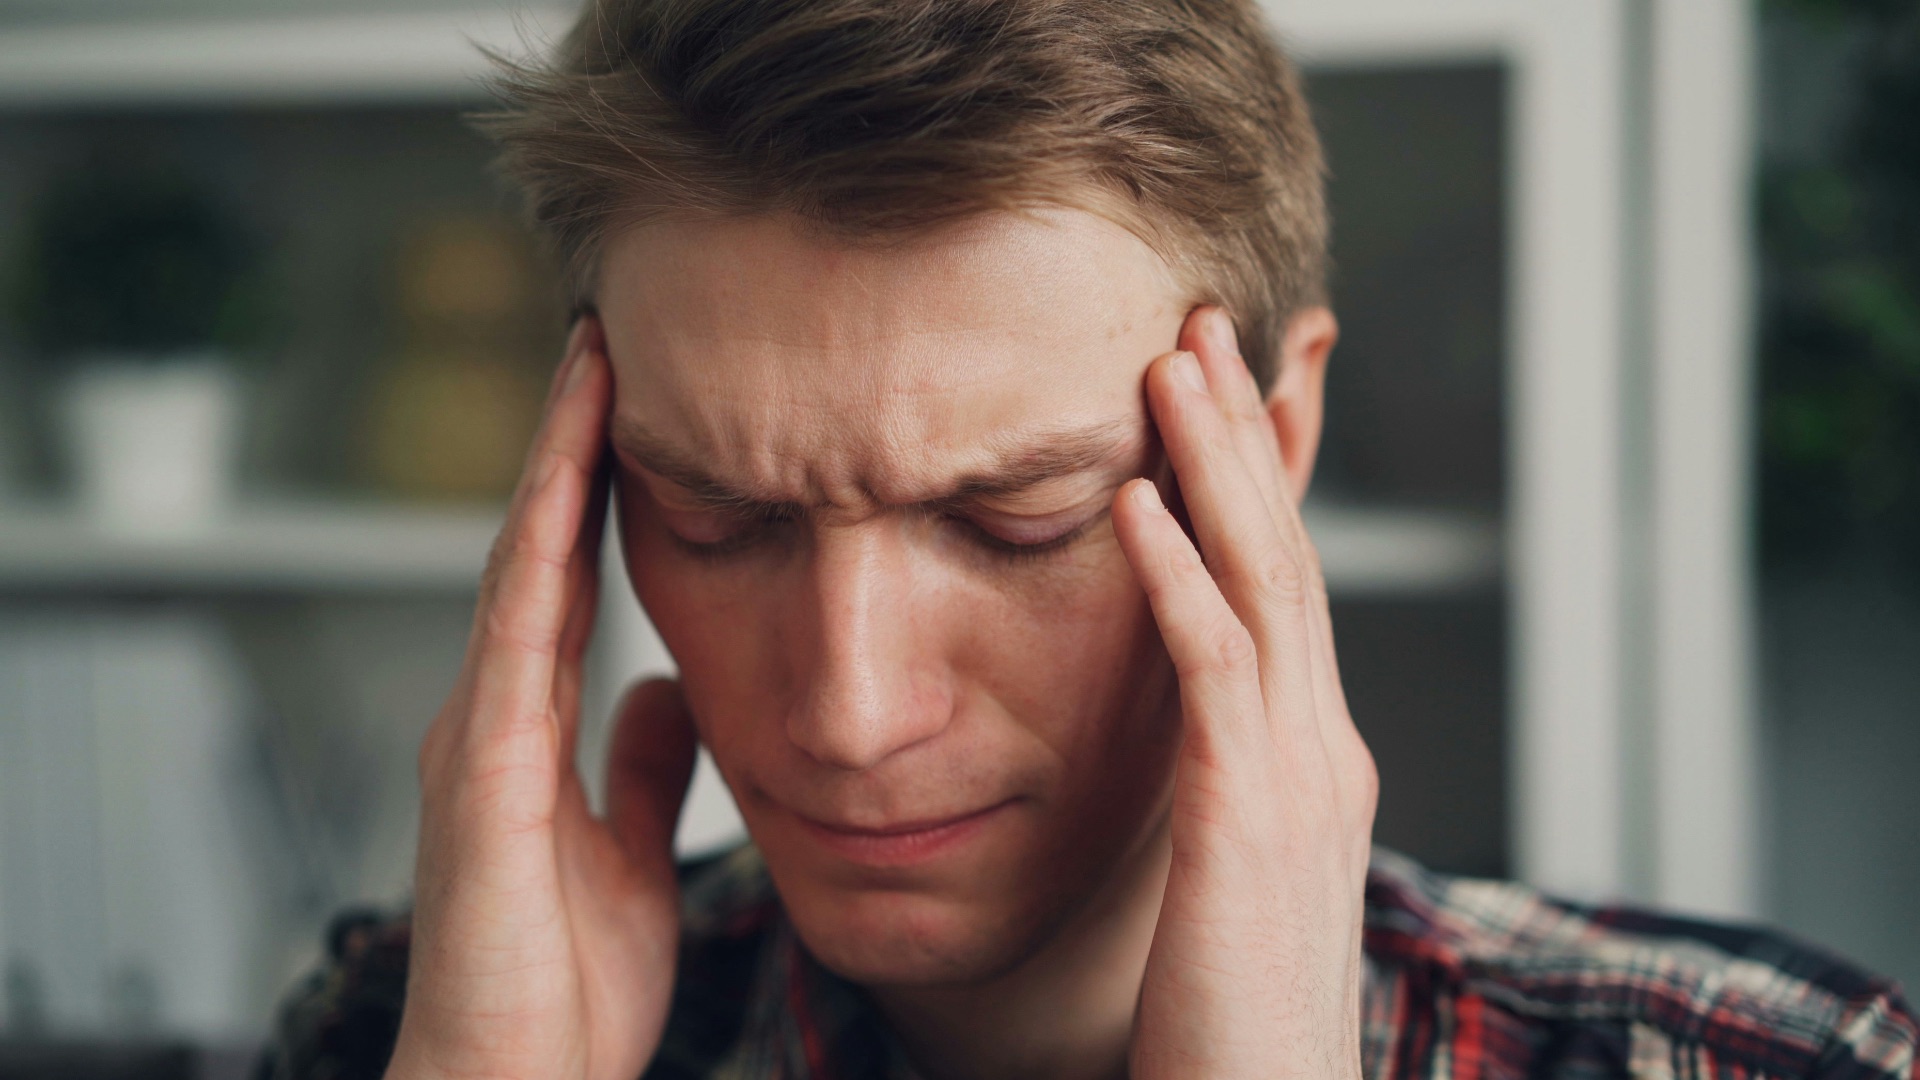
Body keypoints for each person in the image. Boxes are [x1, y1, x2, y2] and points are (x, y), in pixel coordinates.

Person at [264, 1, 1917, 1078]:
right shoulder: (392, 1040)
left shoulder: (1764, 1067)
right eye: (720, 511)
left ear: (1269, 445)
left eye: (1017, 518)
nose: (848, 710)